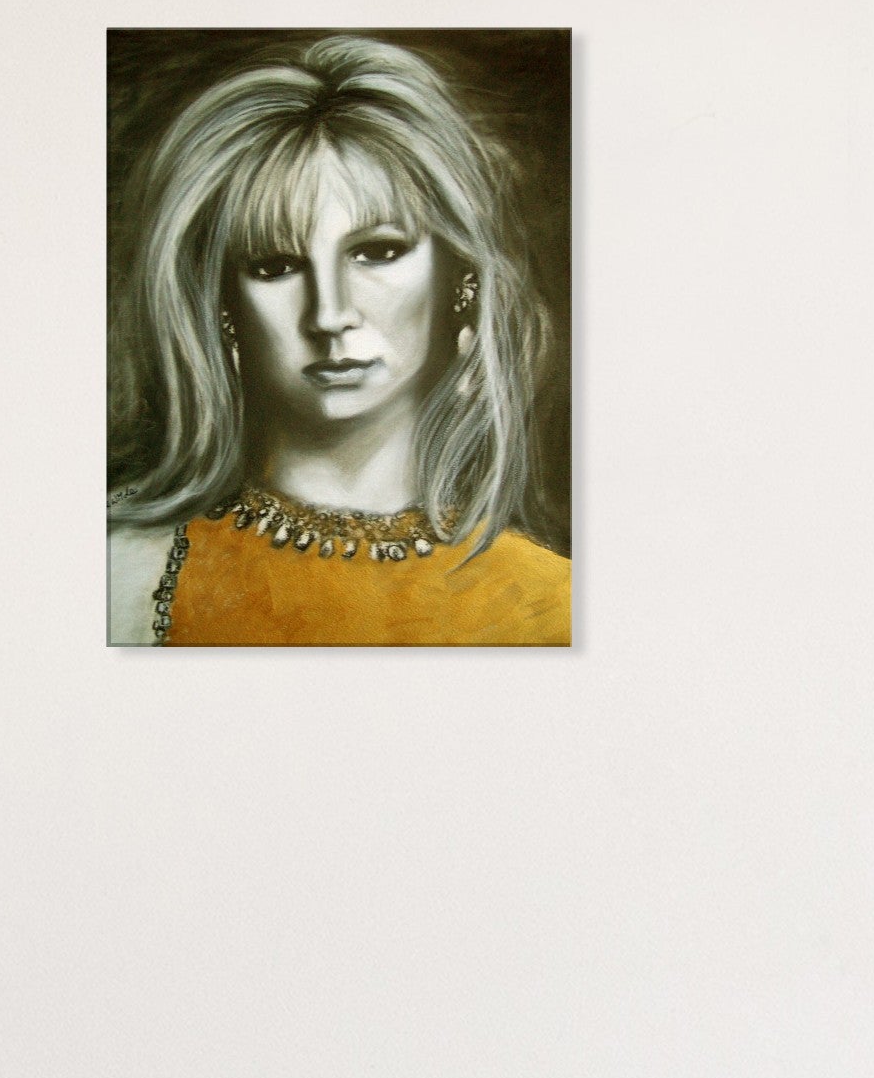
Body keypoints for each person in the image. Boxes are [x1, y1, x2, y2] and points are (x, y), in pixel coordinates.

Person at [107, 34, 570, 646]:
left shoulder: (552, 605)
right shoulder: (120, 571)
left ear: (460, 278)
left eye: (377, 252)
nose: (329, 314)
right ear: (222, 304)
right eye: (275, 266)